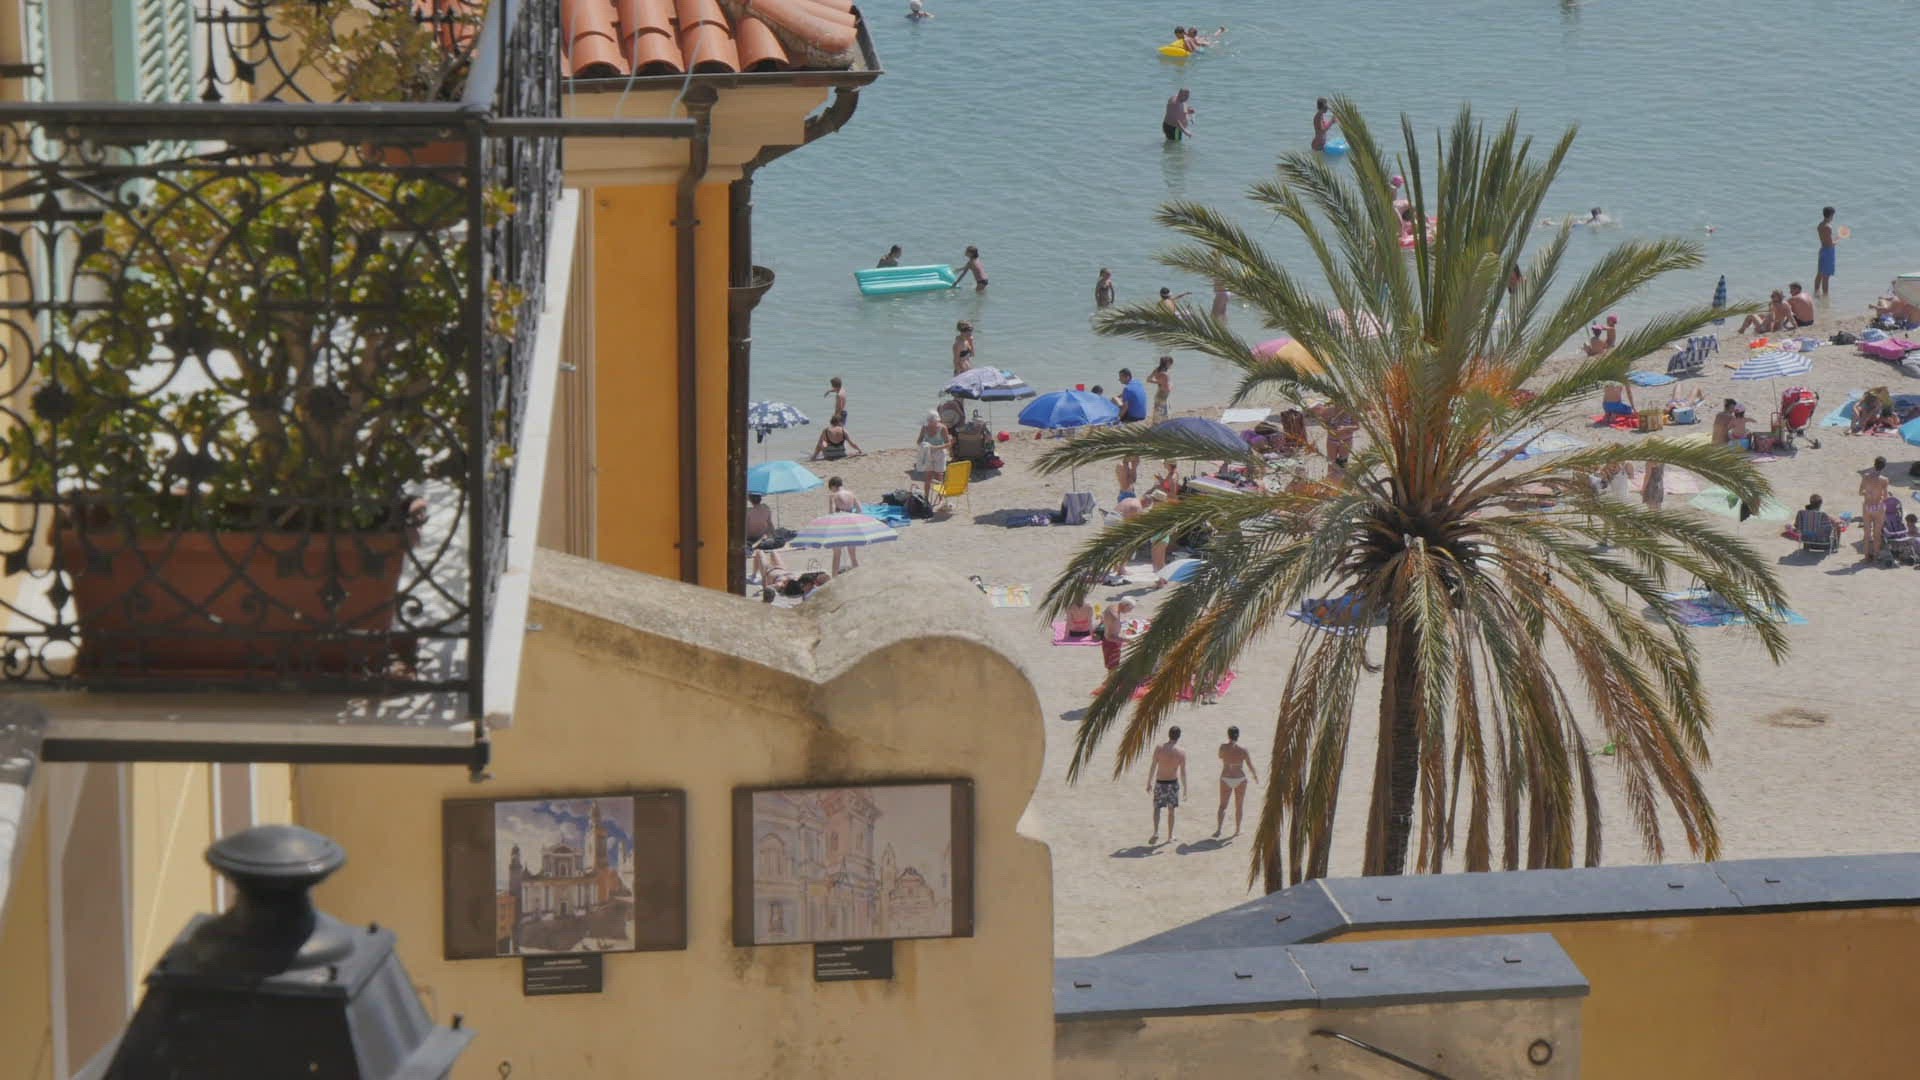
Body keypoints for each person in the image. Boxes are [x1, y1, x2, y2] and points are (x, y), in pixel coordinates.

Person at [1213, 726, 1258, 838]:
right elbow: (1250, 764)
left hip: (1226, 777)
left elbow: (1220, 756)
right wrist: (1255, 776)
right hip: (1240, 778)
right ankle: (1237, 830)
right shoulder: (1243, 750)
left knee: (1222, 806)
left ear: (1228, 735)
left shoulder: (1223, 747)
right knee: (1239, 805)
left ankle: (1219, 830)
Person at [1147, 726, 1188, 844]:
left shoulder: (1159, 748)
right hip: (1172, 783)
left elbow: (1153, 766)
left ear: (1169, 734)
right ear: (1178, 737)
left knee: (1157, 808)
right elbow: (1183, 772)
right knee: (1171, 811)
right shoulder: (1181, 752)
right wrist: (1185, 789)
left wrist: (1149, 782)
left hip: (1160, 782)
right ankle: (1170, 836)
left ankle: (1156, 832)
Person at [915, 410, 952, 507]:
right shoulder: (925, 427)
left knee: (939, 476)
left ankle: (940, 499)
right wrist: (924, 445)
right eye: (929, 422)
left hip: (940, 454)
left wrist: (935, 447)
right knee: (928, 477)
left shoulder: (942, 428)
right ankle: (926, 499)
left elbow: (948, 444)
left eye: (932, 422)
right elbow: (918, 441)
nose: (930, 424)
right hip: (928, 454)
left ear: (937, 421)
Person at [825, 477, 860, 573]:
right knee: (853, 555)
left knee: (837, 555)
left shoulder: (833, 496)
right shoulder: (851, 494)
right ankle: (858, 576)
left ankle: (834, 578)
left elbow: (831, 513)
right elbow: (859, 510)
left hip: (838, 526)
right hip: (850, 525)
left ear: (833, 486)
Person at [1860, 457, 1891, 560]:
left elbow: (1860, 492)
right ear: (1883, 467)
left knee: (1867, 533)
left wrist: (1868, 493)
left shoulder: (1866, 476)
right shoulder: (1884, 480)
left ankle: (1866, 556)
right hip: (1878, 507)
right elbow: (1886, 497)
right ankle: (1876, 556)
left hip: (1867, 506)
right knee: (1877, 534)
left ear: (1874, 464)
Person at [1815, 206, 1836, 299]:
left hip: (1822, 250)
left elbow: (1825, 240)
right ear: (1831, 215)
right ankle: (1825, 297)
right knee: (1826, 276)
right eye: (1833, 215)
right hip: (1828, 252)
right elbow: (1830, 244)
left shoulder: (1820, 225)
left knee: (1819, 273)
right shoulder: (1828, 227)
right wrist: (1837, 240)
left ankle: (1816, 293)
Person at [1147, 355, 1174, 421]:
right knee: (1165, 414)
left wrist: (1158, 382)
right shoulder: (1165, 374)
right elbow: (1168, 388)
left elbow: (1148, 379)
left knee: (1157, 412)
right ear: (1167, 363)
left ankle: (1155, 424)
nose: (1171, 365)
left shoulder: (1156, 370)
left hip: (1158, 393)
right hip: (1164, 395)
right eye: (1170, 363)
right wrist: (1171, 385)